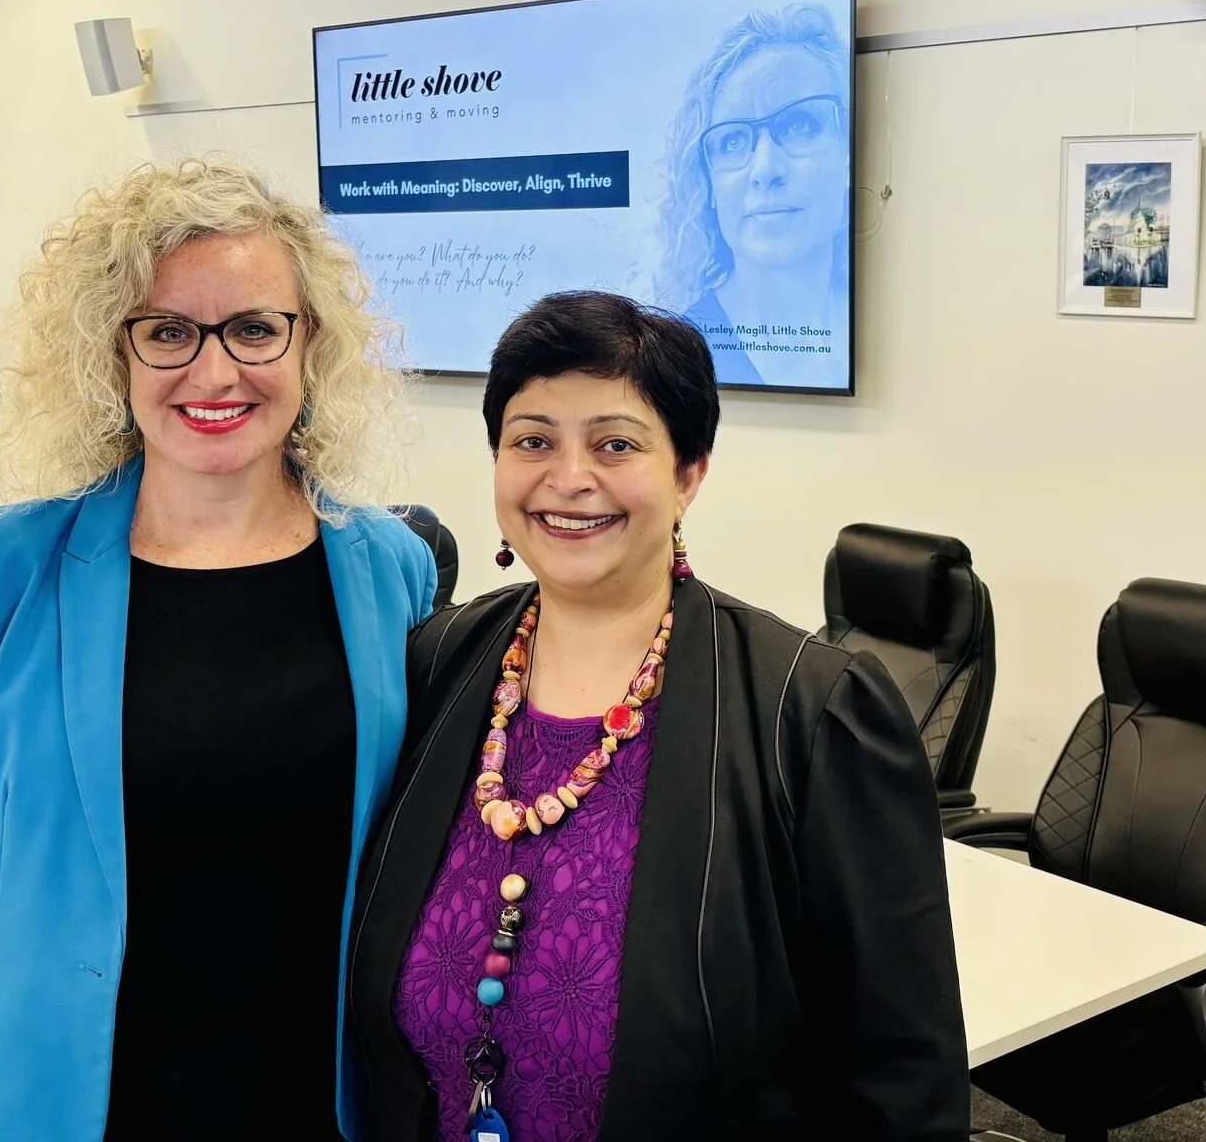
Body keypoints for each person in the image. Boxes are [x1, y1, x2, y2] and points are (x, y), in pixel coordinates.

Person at [0, 159, 438, 1142]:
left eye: (254, 327)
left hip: (309, 1107)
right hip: (45, 1107)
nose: (215, 371)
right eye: (168, 331)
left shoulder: (390, 569)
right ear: (116, 354)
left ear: (307, 344)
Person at [348, 291, 968, 1141]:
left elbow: (903, 1071)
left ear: (688, 474)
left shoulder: (813, 710)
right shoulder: (438, 661)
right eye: (533, 440)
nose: (569, 477)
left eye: (615, 444)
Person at [655, 5, 853, 388]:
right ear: (707, 184)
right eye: (732, 140)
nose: (765, 169)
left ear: (849, 149)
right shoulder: (671, 355)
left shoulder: (900, 323)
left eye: (799, 125)